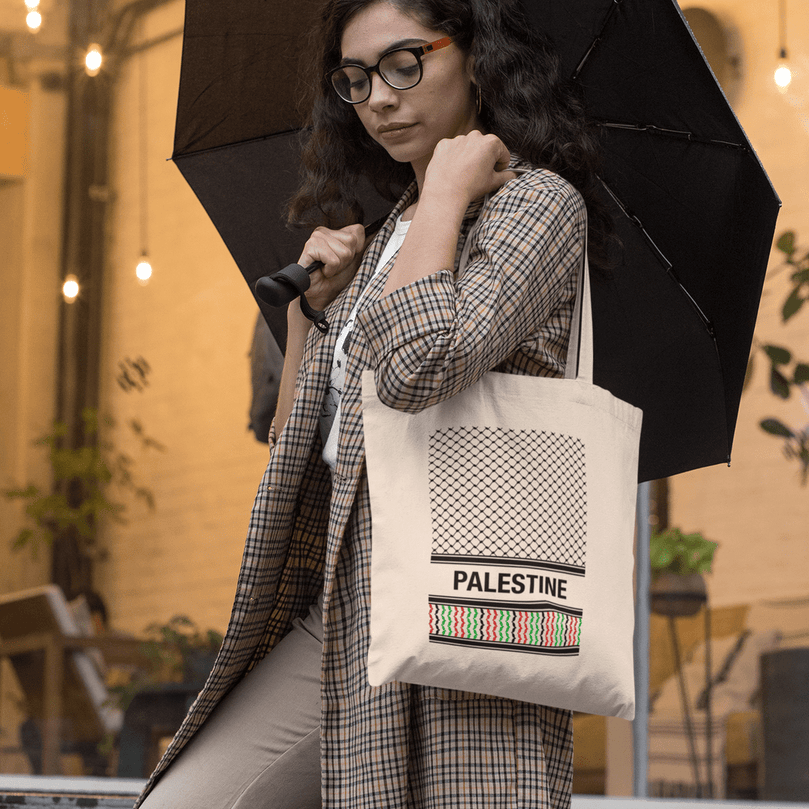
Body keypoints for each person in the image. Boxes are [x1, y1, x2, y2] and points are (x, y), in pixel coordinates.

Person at [137, 0, 610, 806]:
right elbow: (295, 441)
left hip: (468, 602)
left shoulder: (537, 205)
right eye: (354, 79)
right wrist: (309, 310)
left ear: (474, 57)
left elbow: (421, 368)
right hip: (342, 604)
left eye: (404, 62)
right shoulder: (389, 229)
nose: (379, 98)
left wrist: (443, 199)